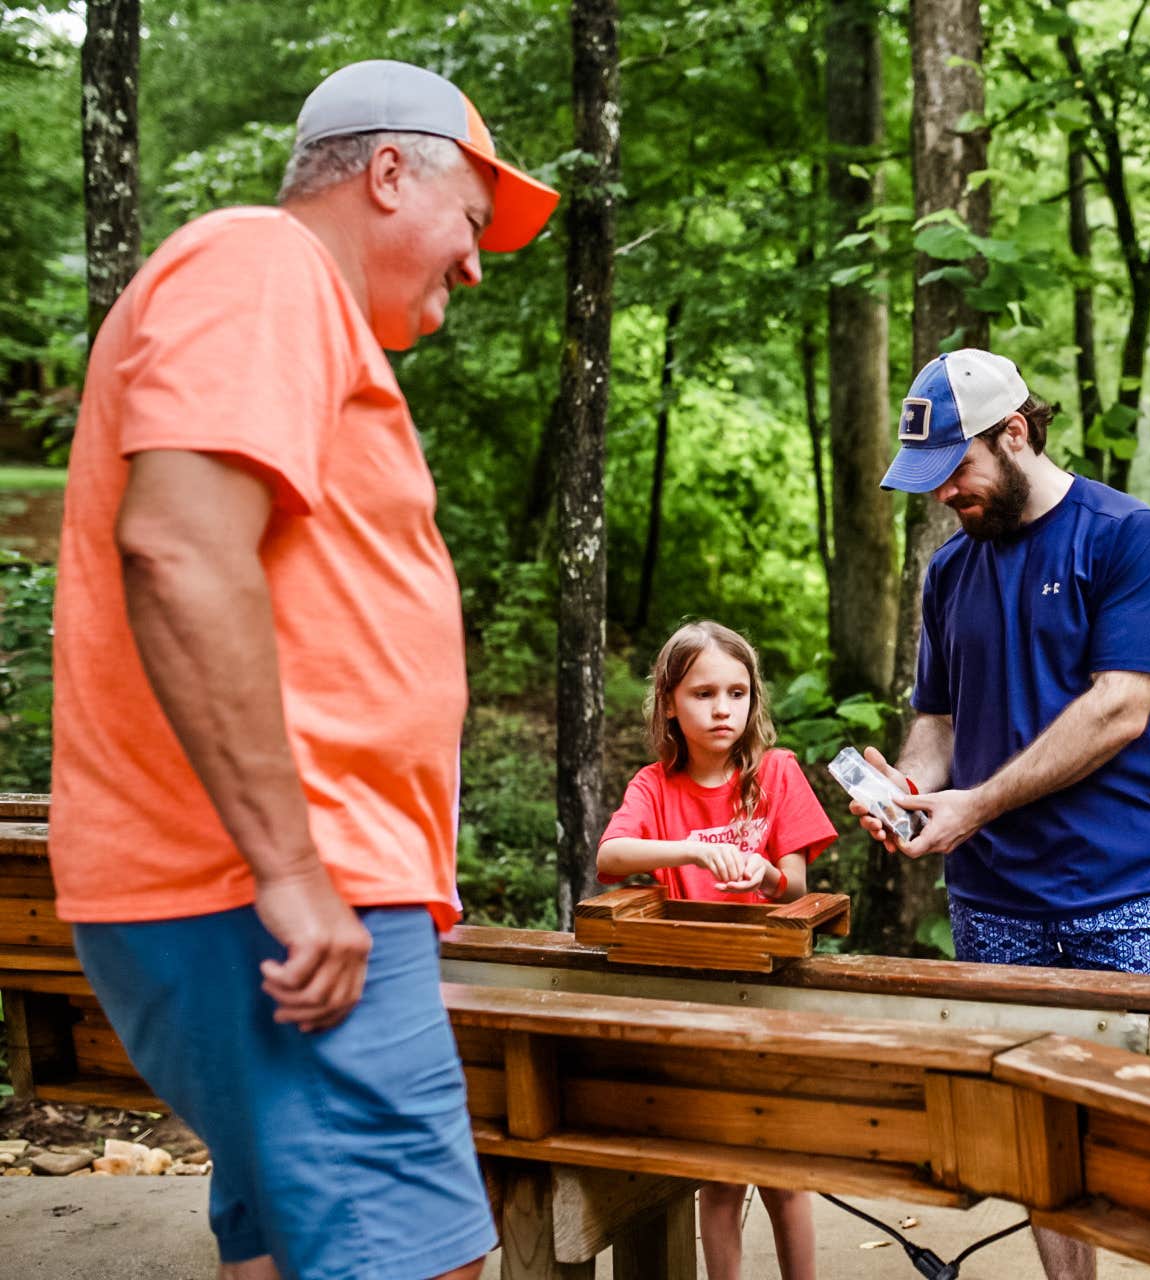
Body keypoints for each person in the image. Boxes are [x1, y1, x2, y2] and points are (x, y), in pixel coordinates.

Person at [48, 60, 556, 1280]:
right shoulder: (262, 264)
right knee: (427, 1258)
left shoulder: (296, 311)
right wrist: (293, 870)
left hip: (284, 875)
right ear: (388, 172)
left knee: (282, 1251)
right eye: (473, 224)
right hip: (274, 876)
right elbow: (176, 543)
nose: (480, 265)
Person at [853, 349, 1150, 1280]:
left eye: (955, 472)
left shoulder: (1130, 536)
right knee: (1038, 1141)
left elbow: (1123, 705)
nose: (944, 497)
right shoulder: (949, 571)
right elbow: (939, 717)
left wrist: (978, 802)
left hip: (1121, 891)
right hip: (994, 897)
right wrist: (916, 796)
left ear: (1015, 434)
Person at [597, 620, 837, 1280]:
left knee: (786, 1174)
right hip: (698, 1000)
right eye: (703, 693)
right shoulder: (655, 786)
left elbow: (795, 887)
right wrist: (693, 848)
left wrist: (764, 875)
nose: (723, 708)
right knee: (721, 1177)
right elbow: (611, 857)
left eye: (737, 692)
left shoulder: (777, 773)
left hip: (773, 996)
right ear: (669, 701)